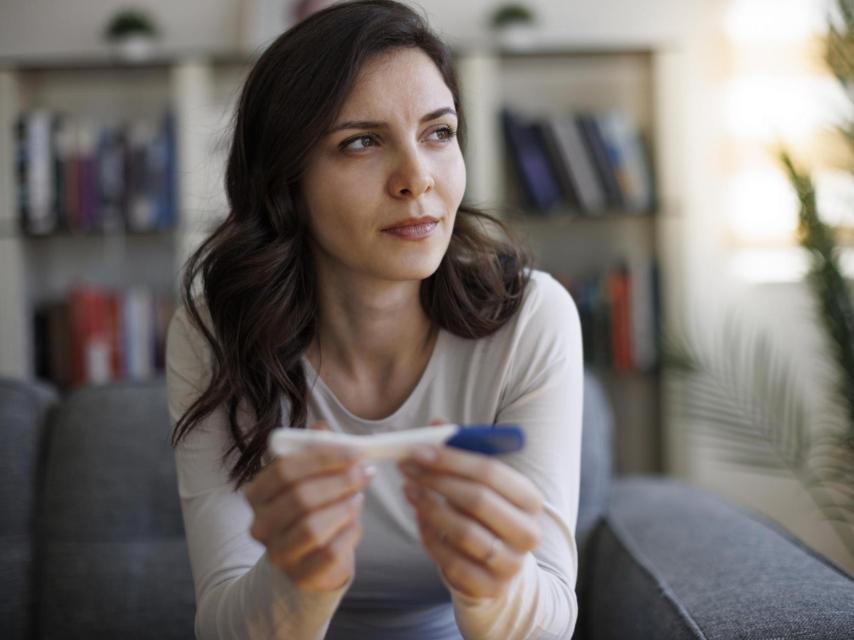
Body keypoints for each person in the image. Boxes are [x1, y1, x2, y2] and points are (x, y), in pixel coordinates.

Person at [165, 1, 583, 638]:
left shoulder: (532, 318)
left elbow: (551, 618)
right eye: (361, 142)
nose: (417, 179)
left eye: (438, 133)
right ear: (286, 180)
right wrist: (298, 581)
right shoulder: (214, 333)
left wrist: (492, 584)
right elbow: (221, 621)